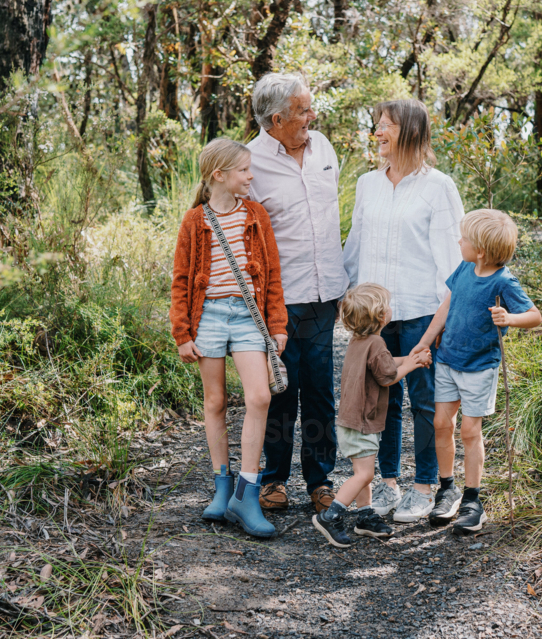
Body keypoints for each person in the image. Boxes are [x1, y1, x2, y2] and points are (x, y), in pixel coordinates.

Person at [343, 99, 464, 523]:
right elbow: (354, 248)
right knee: (381, 400)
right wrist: (347, 298)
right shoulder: (367, 185)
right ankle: (389, 484)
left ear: (409, 132)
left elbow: (452, 263)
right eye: (376, 124)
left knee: (425, 401)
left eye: (385, 125)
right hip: (377, 317)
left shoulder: (438, 187)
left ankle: (425, 487)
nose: (376, 132)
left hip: (421, 313)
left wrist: (441, 323)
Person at [169, 139, 288, 539]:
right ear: (218, 175)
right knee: (215, 401)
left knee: (259, 397)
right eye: (243, 171)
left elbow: (271, 276)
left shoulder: (256, 216)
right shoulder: (194, 221)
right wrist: (182, 333)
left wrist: (277, 326)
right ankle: (220, 486)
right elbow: (181, 281)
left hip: (248, 316)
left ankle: (246, 491)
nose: (250, 176)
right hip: (209, 318)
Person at [247, 73, 350, 514]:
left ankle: (319, 478)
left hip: (324, 292)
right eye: (304, 110)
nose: (313, 116)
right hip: (278, 299)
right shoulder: (250, 162)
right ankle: (273, 478)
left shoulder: (323, 148)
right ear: (277, 119)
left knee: (320, 389)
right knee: (280, 390)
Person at [410, 209, 542, 533]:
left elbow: (535, 315)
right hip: (447, 361)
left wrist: (509, 318)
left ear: (481, 249)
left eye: (464, 238)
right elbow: (446, 307)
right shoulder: (465, 268)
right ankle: (447, 489)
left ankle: (472, 500)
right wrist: (423, 344)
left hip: (479, 368)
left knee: (470, 431)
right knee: (441, 423)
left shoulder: (503, 281)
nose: (459, 241)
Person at [312, 284, 432, 547]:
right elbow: (388, 376)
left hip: (350, 420)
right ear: (381, 317)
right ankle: (331, 516)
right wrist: (412, 364)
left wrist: (409, 357)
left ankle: (365, 515)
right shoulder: (377, 342)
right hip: (363, 422)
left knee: (361, 470)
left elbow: (386, 362)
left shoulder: (360, 341)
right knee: (364, 475)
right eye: (387, 305)